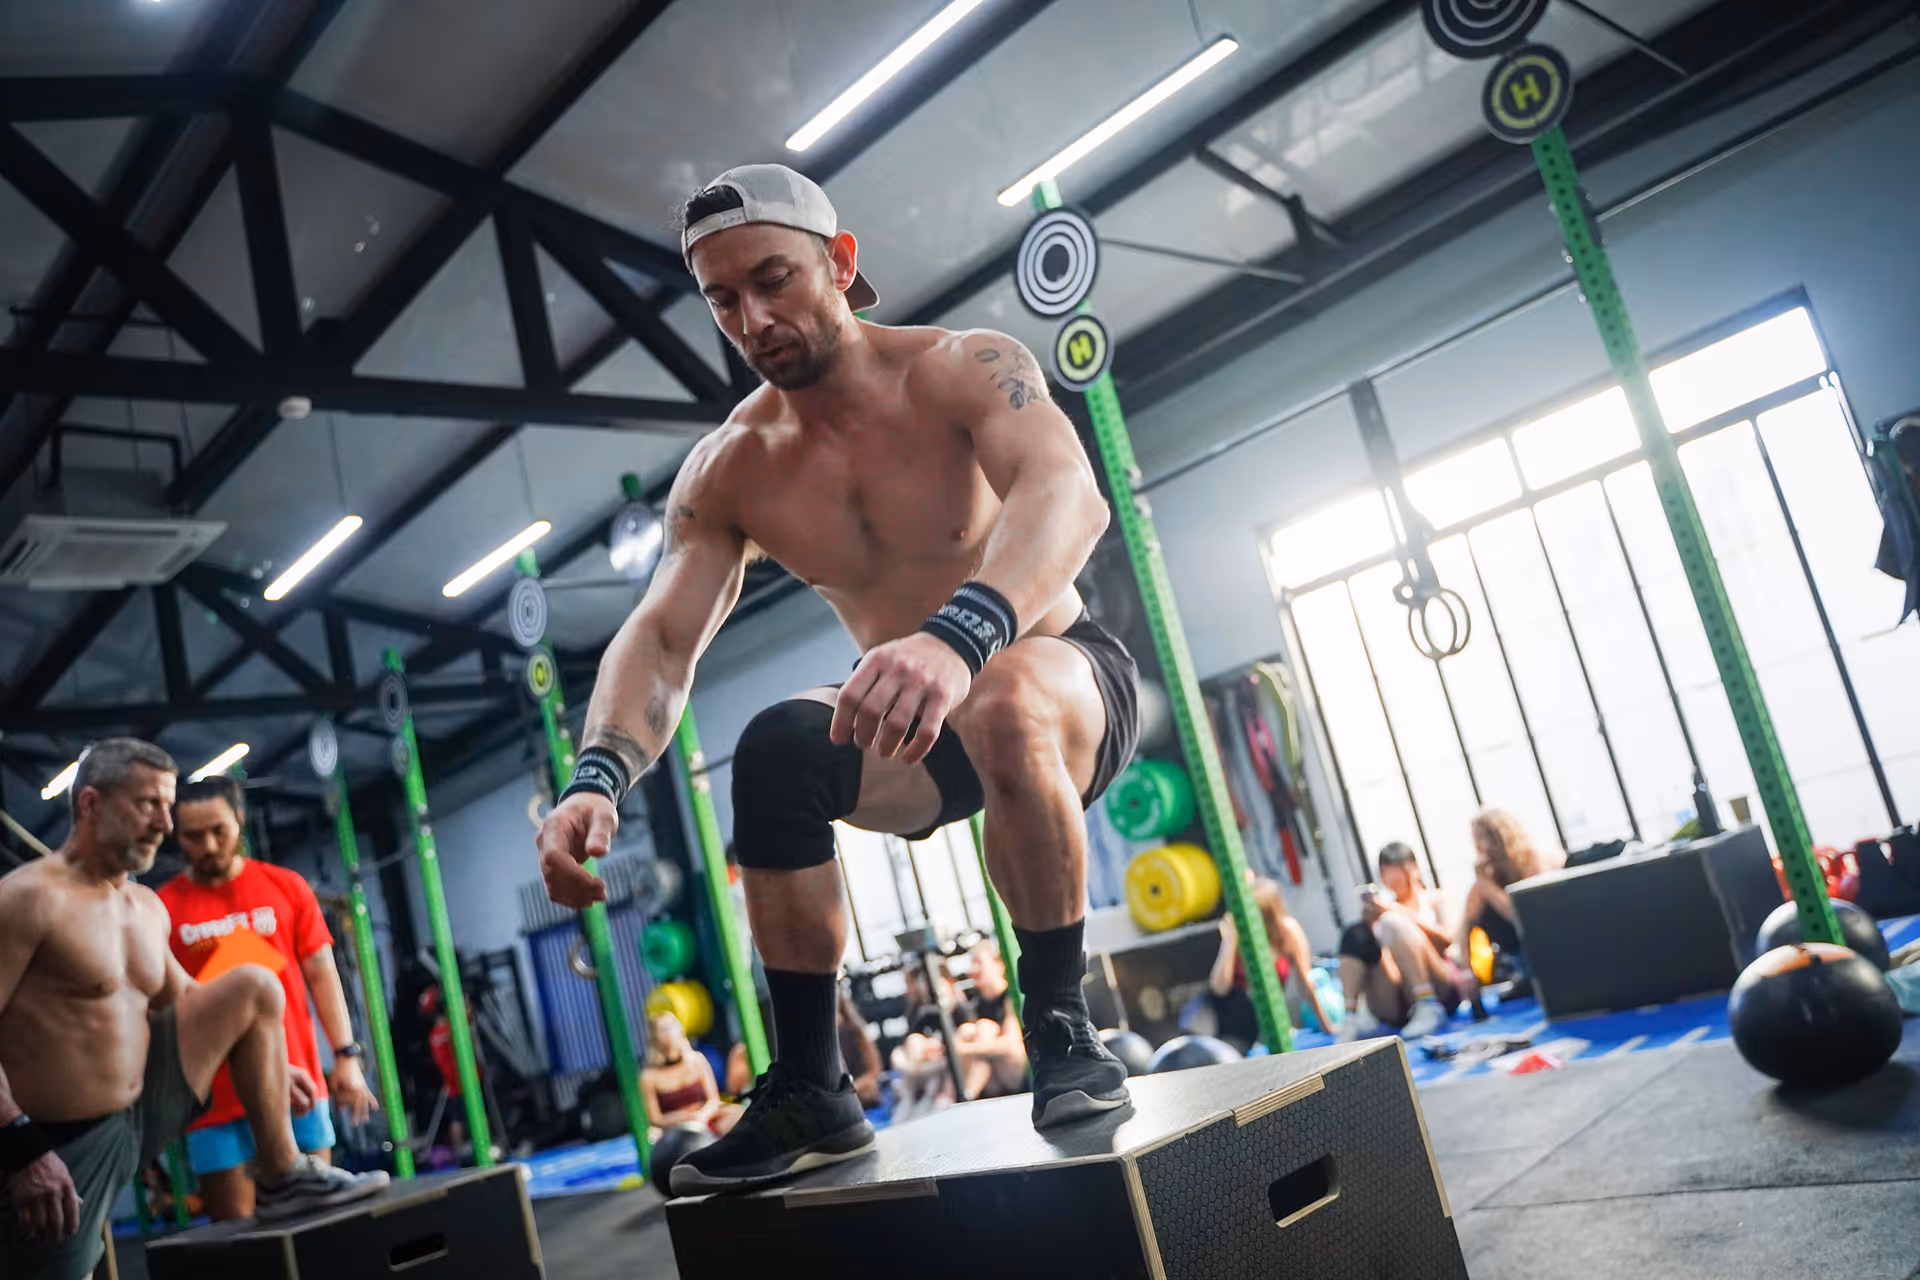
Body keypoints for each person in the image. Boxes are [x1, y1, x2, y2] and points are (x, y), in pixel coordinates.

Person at [535, 164, 1139, 1193]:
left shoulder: (960, 366)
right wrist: (594, 776)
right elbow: (664, 634)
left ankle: (1062, 1024)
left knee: (999, 697)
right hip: (916, 720)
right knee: (773, 748)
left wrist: (960, 633)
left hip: (1059, 681)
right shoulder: (733, 465)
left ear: (841, 262)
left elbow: (1071, 495)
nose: (753, 315)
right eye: (724, 298)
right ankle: (813, 1086)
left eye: (774, 278)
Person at [0, 740, 385, 1280]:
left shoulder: (144, 907)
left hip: (141, 1113)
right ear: (89, 805)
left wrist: (272, 1061)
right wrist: (20, 1148)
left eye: (166, 805)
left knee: (251, 986)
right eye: (147, 805)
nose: (164, 824)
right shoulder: (26, 899)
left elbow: (187, 999)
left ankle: (282, 1176)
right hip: (59, 1141)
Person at [155, 776, 379, 1221]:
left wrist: (346, 1058)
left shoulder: (286, 887)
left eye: (219, 830)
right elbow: (165, 1006)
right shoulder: (161, 908)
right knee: (239, 1241)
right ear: (175, 834)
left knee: (317, 1223)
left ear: (239, 819)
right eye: (193, 836)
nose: (209, 845)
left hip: (295, 1085)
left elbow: (322, 974)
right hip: (213, 1099)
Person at [1336, 844, 1468, 1042]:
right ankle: (1351, 1017)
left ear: (1413, 869)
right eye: (1386, 875)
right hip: (1397, 998)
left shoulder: (1436, 900)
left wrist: (1396, 911)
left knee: (1393, 922)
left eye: (1397, 873)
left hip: (1440, 983)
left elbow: (1447, 938)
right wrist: (1369, 926)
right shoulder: (1384, 910)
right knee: (1356, 934)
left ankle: (1427, 1004)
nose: (1392, 881)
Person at [1206, 877, 1333, 1046]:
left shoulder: (1287, 931)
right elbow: (1219, 988)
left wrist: (1326, 1026)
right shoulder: (1237, 935)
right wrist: (1229, 941)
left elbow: (1304, 981)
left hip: (1262, 1022)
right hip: (1228, 1016)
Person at [1458, 809, 1552, 981]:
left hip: (1544, 953)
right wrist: (1466, 970)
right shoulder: (1485, 879)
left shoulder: (1532, 860)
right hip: (1514, 963)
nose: (1478, 847)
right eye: (1475, 839)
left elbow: (1522, 916)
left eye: (1482, 838)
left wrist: (1487, 886)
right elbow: (1465, 927)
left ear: (1501, 836)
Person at [641, 1013, 741, 1137]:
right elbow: (655, 1119)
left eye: (672, 1027)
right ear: (655, 1036)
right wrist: (680, 1117)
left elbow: (713, 1100)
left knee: (739, 1114)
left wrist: (702, 1116)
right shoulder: (649, 1076)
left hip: (704, 1118)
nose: (669, 1033)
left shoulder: (696, 1059)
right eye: (663, 1029)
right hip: (675, 1128)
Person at [953, 942, 1026, 1100]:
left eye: (979, 963)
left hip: (1014, 1070)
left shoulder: (1009, 997)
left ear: (998, 965)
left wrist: (963, 1049)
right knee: (966, 1030)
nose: (974, 970)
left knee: (986, 1028)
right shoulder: (975, 1003)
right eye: (972, 964)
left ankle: (966, 1096)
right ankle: (949, 1097)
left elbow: (1011, 1044)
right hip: (990, 1077)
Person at [834, 988, 883, 1110]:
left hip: (862, 1091)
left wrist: (853, 1088)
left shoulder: (857, 1031)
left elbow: (875, 1069)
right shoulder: (824, 1038)